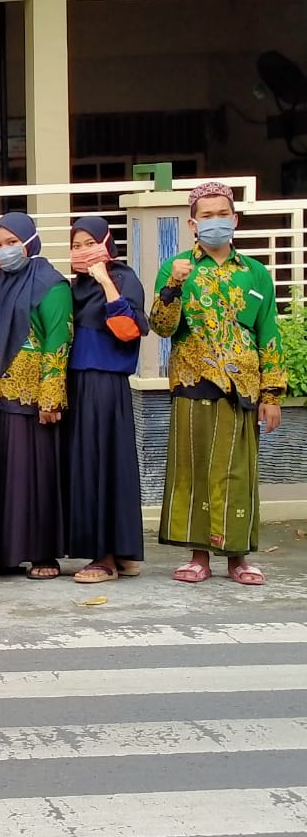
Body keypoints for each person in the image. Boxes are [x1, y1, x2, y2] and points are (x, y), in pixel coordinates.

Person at [150, 181, 285, 585]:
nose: (215, 222)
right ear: (193, 224)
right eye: (206, 216)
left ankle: (238, 558)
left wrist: (272, 393)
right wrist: (172, 285)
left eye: (221, 214)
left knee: (236, 472)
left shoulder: (255, 273)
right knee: (192, 470)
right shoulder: (176, 267)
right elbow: (160, 326)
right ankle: (198, 556)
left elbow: (269, 333)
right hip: (193, 382)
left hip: (241, 387)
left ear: (235, 219)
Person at [0, 211, 72, 580]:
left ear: (30, 242)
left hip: (30, 399)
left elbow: (58, 340)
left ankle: (42, 554)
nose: (5, 250)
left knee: (32, 477)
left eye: (12, 243)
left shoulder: (50, 285)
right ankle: (2, 553)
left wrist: (50, 396)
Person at [64, 217, 148, 584]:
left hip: (106, 384)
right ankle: (120, 551)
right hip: (78, 383)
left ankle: (106, 558)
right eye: (76, 245)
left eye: (89, 243)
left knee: (105, 467)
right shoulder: (72, 288)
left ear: (107, 242)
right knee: (89, 466)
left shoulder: (124, 279)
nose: (83, 251)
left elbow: (128, 330)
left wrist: (105, 281)